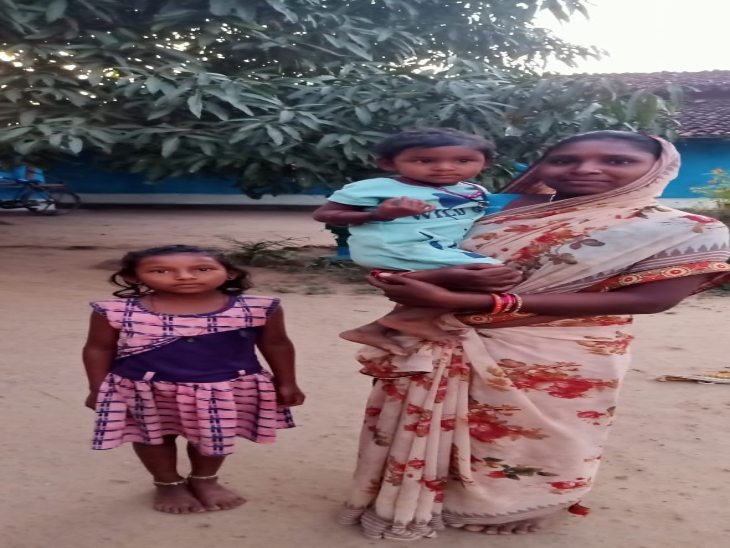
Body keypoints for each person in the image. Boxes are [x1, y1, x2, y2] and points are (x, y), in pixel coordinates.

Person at [337, 131, 730, 539]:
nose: (586, 169)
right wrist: (410, 282)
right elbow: (406, 252)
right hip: (439, 333)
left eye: (617, 161)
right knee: (450, 423)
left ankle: (510, 506)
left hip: (559, 347)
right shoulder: (491, 207)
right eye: (564, 160)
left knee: (535, 431)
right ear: (542, 167)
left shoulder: (686, 229)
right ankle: (431, 494)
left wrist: (480, 302)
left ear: (658, 168)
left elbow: (652, 299)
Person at [83, 244, 305, 514]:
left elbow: (277, 344)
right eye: (161, 271)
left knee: (213, 435)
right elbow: (98, 348)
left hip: (223, 390)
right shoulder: (115, 311)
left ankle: (204, 480)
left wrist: (287, 381)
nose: (185, 276)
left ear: (231, 273)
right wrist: (97, 388)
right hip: (146, 391)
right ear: (133, 277)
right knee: (152, 436)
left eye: (202, 269)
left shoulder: (258, 308)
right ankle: (167, 483)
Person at [312, 128, 508, 357]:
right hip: (394, 247)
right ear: (388, 163)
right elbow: (324, 214)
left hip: (435, 250)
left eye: (463, 160)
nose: (444, 167)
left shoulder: (474, 191)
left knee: (473, 277)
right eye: (424, 160)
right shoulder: (375, 188)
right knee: (492, 273)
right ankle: (406, 311)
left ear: (486, 163)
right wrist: (378, 214)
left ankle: (377, 327)